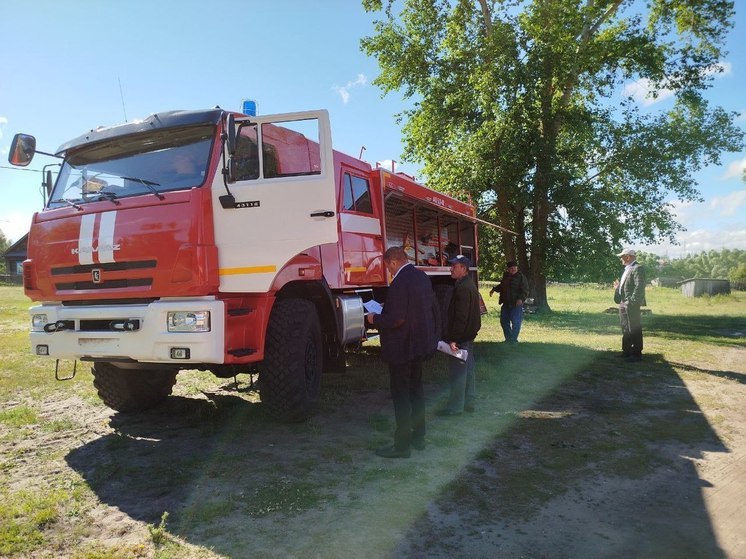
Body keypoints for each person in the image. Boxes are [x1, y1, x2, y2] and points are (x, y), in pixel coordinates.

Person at [367, 246, 438, 458]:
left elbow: (397, 319)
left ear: (394, 262)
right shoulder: (421, 277)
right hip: (418, 347)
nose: (388, 271)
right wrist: (387, 305)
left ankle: (401, 446)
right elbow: (415, 308)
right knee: (416, 393)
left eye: (388, 266)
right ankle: (419, 438)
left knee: (401, 397)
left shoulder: (399, 282)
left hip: (401, 350)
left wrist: (375, 318)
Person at [437, 255, 482, 416]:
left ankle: (455, 408)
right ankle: (469, 402)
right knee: (468, 369)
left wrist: (454, 339)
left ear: (463, 269)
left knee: (458, 373)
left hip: (461, 337)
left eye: (454, 266)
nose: (451, 269)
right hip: (468, 335)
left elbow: (461, 317)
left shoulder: (462, 288)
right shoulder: (468, 284)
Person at [613, 248, 646, 362]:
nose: (620, 259)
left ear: (628, 257)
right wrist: (618, 288)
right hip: (623, 302)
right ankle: (626, 351)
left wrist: (631, 301)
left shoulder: (638, 268)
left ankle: (636, 354)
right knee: (625, 327)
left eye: (622, 256)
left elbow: (639, 286)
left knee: (634, 328)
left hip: (630, 303)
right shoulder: (628, 268)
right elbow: (627, 286)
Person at [490, 260, 529, 343]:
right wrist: (494, 289)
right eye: (511, 268)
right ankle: (508, 339)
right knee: (504, 321)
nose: (513, 269)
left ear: (517, 268)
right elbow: (501, 286)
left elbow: (525, 290)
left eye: (514, 268)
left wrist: (521, 299)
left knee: (516, 322)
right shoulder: (506, 277)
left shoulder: (521, 277)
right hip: (506, 304)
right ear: (508, 269)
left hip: (516, 304)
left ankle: (514, 340)